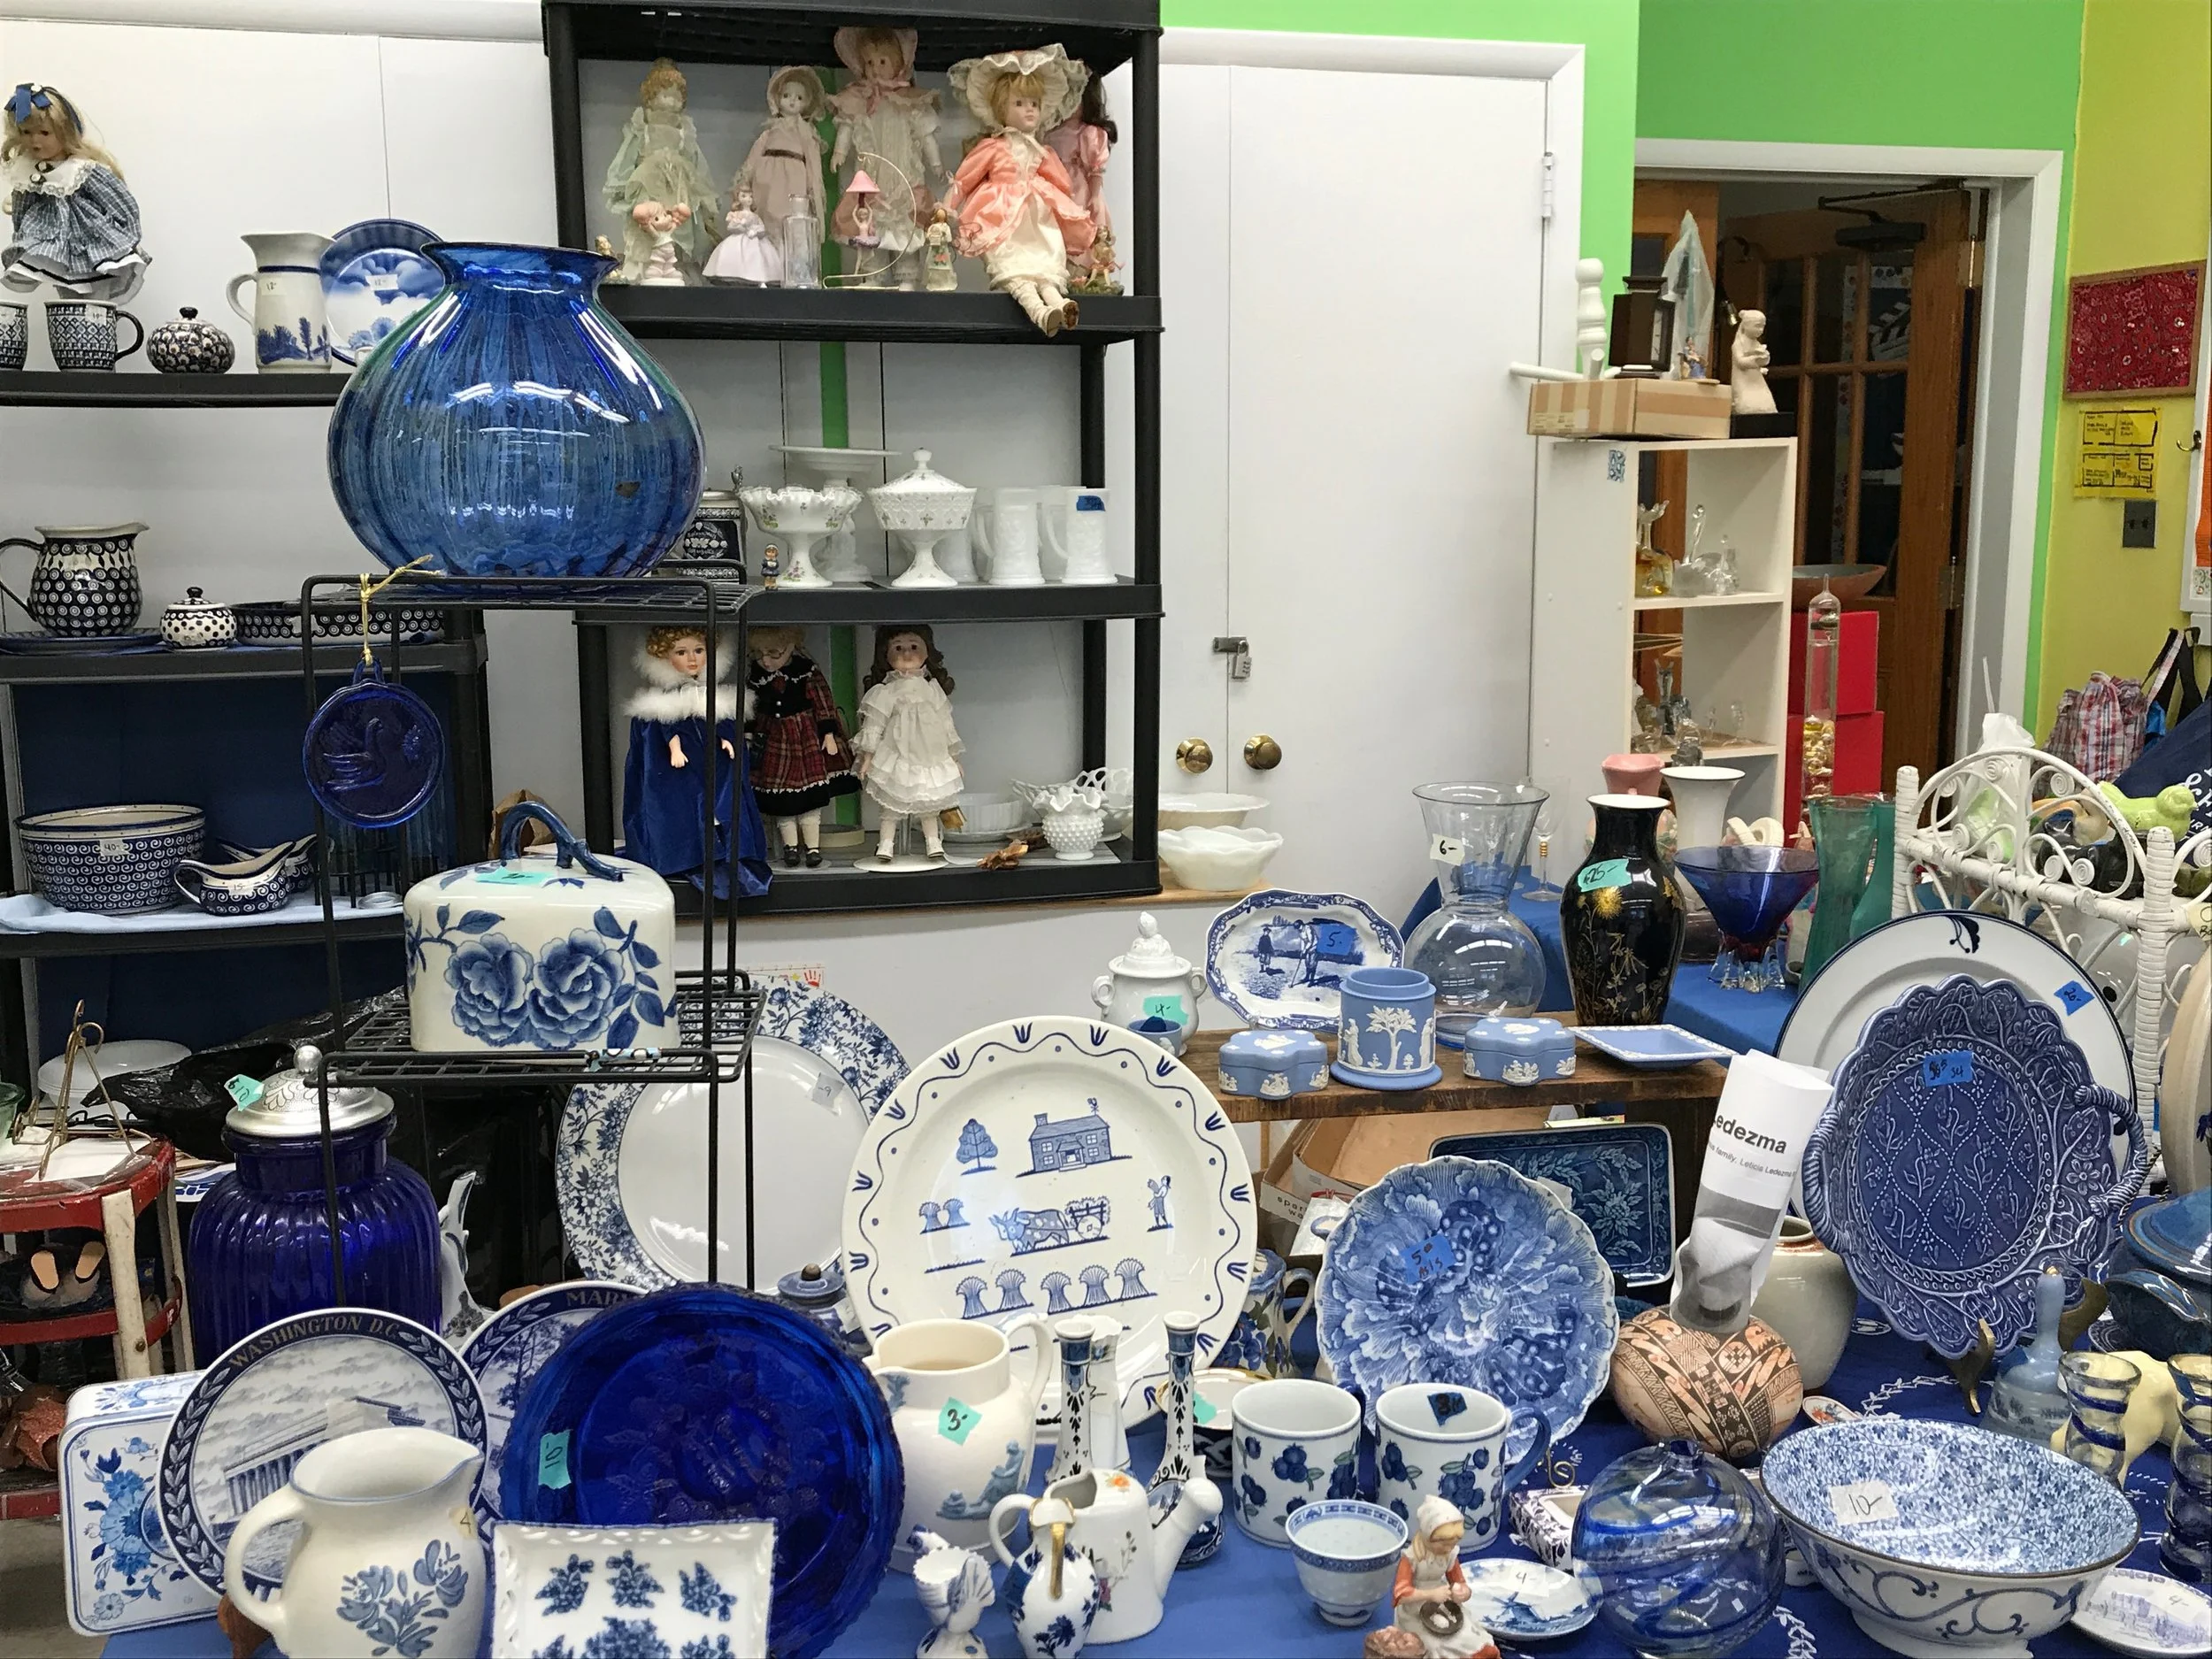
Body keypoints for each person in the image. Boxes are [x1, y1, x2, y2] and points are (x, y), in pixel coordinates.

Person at [945, 47, 1094, 335]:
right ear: (1001, 108)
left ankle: (1059, 303)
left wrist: (1066, 204)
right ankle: (1040, 312)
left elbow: (1061, 183)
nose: (1029, 109)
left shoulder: (1041, 150)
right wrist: (947, 207)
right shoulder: (992, 146)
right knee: (1012, 267)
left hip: (1037, 216)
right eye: (1020, 103)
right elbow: (964, 179)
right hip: (1001, 216)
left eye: (1035, 104)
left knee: (1044, 265)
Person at [622, 627, 770, 897]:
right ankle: (688, 854)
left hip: (712, 763)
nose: (692, 659)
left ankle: (724, 849)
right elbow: (669, 727)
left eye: (699, 651)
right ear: (663, 657)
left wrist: (727, 739)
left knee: (721, 801)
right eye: (681, 652)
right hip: (683, 767)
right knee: (686, 804)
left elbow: (720, 722)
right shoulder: (662, 703)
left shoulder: (712, 695)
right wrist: (675, 749)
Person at [2, 82, 146, 300]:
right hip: (54, 245)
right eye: (26, 132)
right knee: (67, 294)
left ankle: (92, 316)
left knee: (95, 295)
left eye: (44, 133)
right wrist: (22, 239)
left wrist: (127, 238)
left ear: (65, 132)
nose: (35, 141)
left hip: (90, 242)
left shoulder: (81, 170)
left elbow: (121, 203)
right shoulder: (26, 173)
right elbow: (22, 212)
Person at [744, 625, 858, 866]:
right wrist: (748, 732)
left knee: (810, 797)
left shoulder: (805, 671)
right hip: (772, 739)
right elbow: (750, 705)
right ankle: (790, 848)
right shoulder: (756, 675)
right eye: (759, 654)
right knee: (781, 801)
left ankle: (813, 848)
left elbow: (823, 702)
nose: (766, 661)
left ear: (791, 647)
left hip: (804, 737)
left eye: (774, 653)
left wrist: (828, 733)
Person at [854, 625, 963, 863]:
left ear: (927, 652)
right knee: (891, 805)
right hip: (897, 753)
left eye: (914, 647)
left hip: (929, 755)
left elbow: (946, 724)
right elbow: (874, 724)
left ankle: (933, 842)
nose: (906, 653)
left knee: (928, 801)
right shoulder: (886, 691)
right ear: (886, 654)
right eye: (898, 648)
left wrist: (954, 757)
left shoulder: (932, 689)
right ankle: (885, 844)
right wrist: (868, 755)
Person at [603, 58, 718, 283]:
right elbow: (629, 153)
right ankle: (650, 265)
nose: (672, 101)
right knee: (648, 221)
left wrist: (705, 192)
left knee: (680, 223)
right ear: (651, 98)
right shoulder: (643, 127)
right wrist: (621, 180)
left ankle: (674, 264)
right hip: (649, 182)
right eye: (666, 95)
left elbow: (696, 160)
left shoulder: (684, 130)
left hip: (679, 185)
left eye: (677, 97)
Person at [1389, 1497, 1499, 1659]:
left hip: (1443, 1603)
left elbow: (1459, 1581)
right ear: (1428, 1535)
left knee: (1467, 1633)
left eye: (1453, 1543)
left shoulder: (1450, 1554)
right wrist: (1431, 1595)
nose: (1449, 1548)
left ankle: (1479, 1652)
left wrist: (1462, 1592)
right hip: (1414, 1609)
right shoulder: (1411, 1558)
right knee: (1435, 1644)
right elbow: (1400, 1595)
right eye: (1444, 1543)